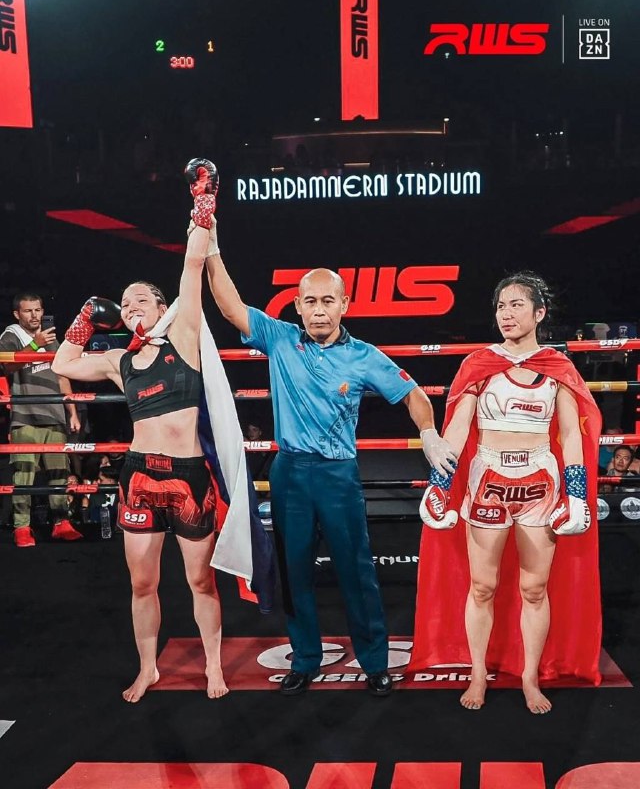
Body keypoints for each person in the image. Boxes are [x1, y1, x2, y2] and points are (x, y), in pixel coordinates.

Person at [204, 217, 456, 697]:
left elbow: (413, 394)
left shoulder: (363, 355)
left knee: (356, 570)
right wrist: (211, 246)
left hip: (338, 474)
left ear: (344, 304)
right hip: (290, 473)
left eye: (327, 301)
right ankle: (304, 659)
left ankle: (375, 662)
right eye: (310, 301)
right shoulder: (280, 338)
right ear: (298, 305)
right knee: (294, 570)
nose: (319, 310)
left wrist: (429, 433)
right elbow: (230, 306)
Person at [52, 169, 230, 703]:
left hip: (188, 476)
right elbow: (63, 362)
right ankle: (148, 668)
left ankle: (214, 667)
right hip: (139, 479)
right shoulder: (118, 360)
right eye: (124, 304)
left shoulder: (185, 336)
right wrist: (86, 315)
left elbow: (193, 266)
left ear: (160, 306)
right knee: (141, 583)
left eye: (139, 301)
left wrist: (203, 205)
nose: (130, 307)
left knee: (201, 581)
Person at [410, 271, 602, 713]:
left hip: (540, 482)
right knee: (482, 586)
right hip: (488, 481)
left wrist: (576, 494)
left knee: (535, 589)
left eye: (517, 304)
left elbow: (572, 434)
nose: (506, 314)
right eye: (501, 306)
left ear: (539, 312)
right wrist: (439, 486)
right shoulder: (479, 364)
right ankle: (478, 674)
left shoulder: (558, 367)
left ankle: (530, 678)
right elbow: (458, 429)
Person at [0, 292, 82, 547]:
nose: (34, 315)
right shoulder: (10, 336)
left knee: (59, 472)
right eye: (28, 310)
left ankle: (61, 522)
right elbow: (8, 367)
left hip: (54, 414)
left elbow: (62, 374)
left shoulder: (51, 338)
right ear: (17, 314)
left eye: (38, 310)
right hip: (25, 416)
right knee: (24, 474)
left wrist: (72, 411)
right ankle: (22, 527)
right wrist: (35, 345)